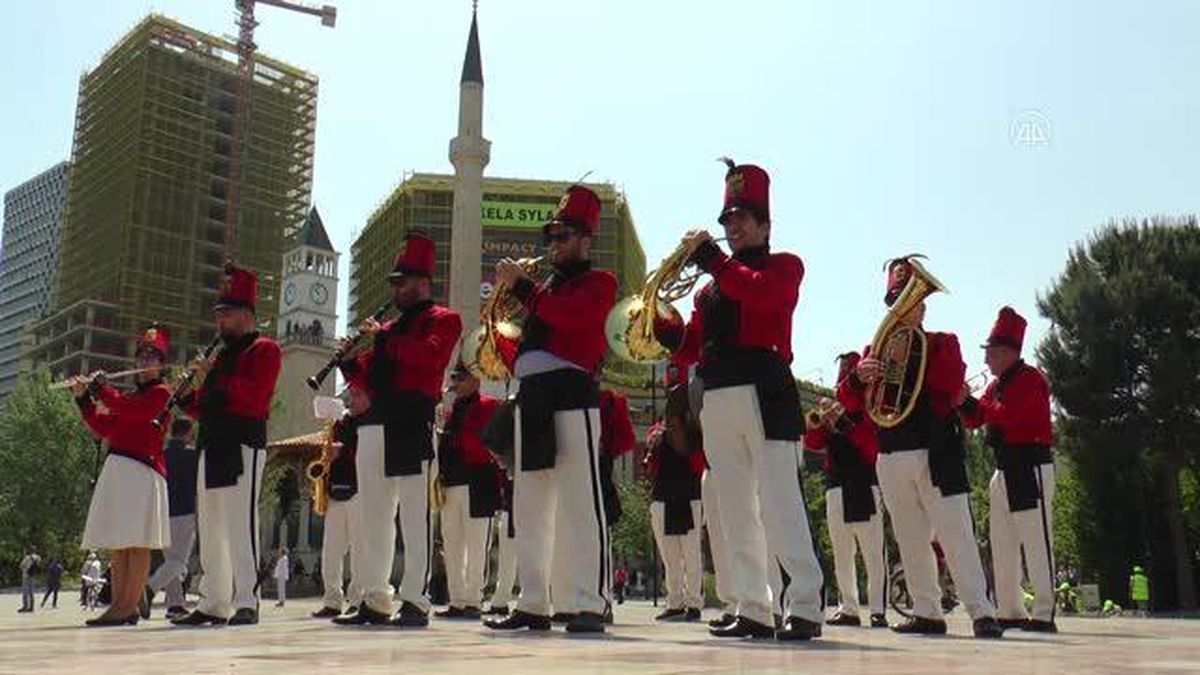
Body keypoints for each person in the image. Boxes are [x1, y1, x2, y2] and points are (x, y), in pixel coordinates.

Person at [655, 160, 823, 641]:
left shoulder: (784, 265)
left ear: (766, 225)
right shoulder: (710, 287)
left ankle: (806, 604)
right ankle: (753, 605)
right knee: (733, 510)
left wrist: (714, 260)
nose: (733, 227)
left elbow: (763, 297)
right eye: (728, 221)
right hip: (717, 393)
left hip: (765, 386)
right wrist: (665, 332)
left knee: (780, 502)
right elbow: (693, 346)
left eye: (743, 218)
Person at [841, 255, 1002, 638]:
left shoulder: (943, 343)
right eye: (896, 300)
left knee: (955, 531)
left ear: (923, 307)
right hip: (891, 451)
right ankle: (926, 610)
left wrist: (910, 359)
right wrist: (859, 379)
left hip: (936, 450)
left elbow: (948, 386)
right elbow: (851, 406)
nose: (903, 308)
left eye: (910, 300)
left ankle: (982, 611)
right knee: (910, 537)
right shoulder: (871, 350)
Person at [484, 185, 618, 634]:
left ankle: (590, 601)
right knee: (530, 507)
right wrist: (493, 331)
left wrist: (521, 286)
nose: (555, 245)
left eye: (564, 237)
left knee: (582, 502)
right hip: (533, 396)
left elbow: (571, 319)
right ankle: (533, 601)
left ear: (586, 240)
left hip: (572, 393)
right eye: (553, 237)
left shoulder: (600, 283)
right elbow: (525, 350)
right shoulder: (542, 292)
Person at [333, 232, 462, 628]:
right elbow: (368, 379)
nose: (396, 289)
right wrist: (347, 361)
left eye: (402, 282)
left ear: (423, 282)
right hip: (375, 425)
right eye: (394, 283)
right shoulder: (390, 329)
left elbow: (429, 356)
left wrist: (384, 336)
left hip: (412, 420)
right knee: (374, 516)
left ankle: (416, 600)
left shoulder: (443, 319)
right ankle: (374, 597)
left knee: (413, 515)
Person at [173, 265, 283, 627]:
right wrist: (188, 391)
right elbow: (201, 407)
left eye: (227, 315)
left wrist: (211, 375)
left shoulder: (265, 349)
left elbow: (252, 397)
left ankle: (246, 599)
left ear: (247, 314)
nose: (220, 322)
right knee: (212, 526)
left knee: (241, 523)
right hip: (213, 443)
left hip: (244, 444)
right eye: (218, 315)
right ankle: (212, 601)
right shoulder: (221, 358)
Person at [959, 307, 1057, 633]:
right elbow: (977, 419)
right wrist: (963, 402)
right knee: (1001, 543)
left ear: (1007, 353)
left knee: (1035, 541)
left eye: (990, 354)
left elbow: (1007, 416)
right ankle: (1010, 608)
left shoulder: (1031, 379)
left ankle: (1043, 611)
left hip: (1030, 467)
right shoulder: (999, 384)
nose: (986, 361)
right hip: (1004, 468)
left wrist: (974, 404)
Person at [72, 325, 173, 627]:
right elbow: (106, 427)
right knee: (119, 541)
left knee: (137, 542)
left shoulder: (162, 394)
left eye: (151, 356)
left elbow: (131, 411)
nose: (144, 362)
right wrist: (84, 401)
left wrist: (102, 390)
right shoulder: (128, 396)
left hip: (142, 471)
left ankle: (127, 605)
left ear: (161, 362)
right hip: (119, 470)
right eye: (141, 356)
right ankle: (120, 604)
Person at [804, 352, 888, 629]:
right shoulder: (833, 408)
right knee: (841, 552)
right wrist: (819, 423)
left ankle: (877, 609)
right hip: (836, 486)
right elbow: (814, 443)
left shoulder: (870, 411)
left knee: (873, 553)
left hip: (864, 484)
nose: (841, 379)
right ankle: (848, 607)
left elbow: (870, 447)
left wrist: (842, 421)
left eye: (845, 372)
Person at [436, 362, 501, 620]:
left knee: (477, 546)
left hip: (478, 483)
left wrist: (453, 430)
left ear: (475, 381)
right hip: (451, 483)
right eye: (454, 379)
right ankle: (457, 600)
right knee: (451, 544)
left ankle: (473, 599)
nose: (455, 384)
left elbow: (484, 443)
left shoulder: (488, 405)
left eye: (460, 379)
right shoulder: (452, 413)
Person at [645, 384, 705, 623]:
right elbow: (650, 466)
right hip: (662, 496)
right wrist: (658, 439)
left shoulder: (695, 432)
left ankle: (693, 603)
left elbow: (698, 464)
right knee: (668, 555)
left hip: (689, 497)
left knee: (691, 553)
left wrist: (681, 433)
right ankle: (675, 601)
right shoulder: (657, 430)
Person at [312, 389, 367, 618]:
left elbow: (367, 454)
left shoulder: (367, 422)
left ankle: (357, 600)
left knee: (360, 551)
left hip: (358, 492)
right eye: (350, 396)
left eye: (356, 396)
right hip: (335, 491)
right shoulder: (338, 423)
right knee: (331, 551)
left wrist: (343, 451)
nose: (351, 400)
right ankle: (332, 600)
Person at [146, 418, 200, 620]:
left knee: (170, 560)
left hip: (162, 512)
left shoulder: (161, 454)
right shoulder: (192, 455)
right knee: (179, 561)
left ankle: (175, 604)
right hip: (184, 510)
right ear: (188, 432)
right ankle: (149, 588)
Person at [18, 548, 40, 613]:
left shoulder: (27, 557)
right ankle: (32, 607)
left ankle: (25, 606)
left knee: (25, 591)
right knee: (31, 591)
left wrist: (25, 567)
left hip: (26, 576)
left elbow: (21, 566)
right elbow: (38, 566)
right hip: (33, 576)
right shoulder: (38, 557)